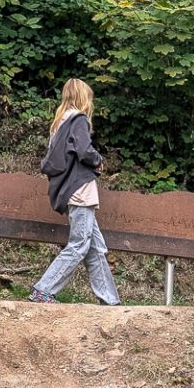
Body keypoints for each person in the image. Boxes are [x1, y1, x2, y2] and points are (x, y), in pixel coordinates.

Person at [28, 78, 121, 306]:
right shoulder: (78, 119)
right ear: (83, 98)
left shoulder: (60, 122)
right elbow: (84, 151)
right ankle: (43, 290)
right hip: (80, 191)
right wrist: (99, 161)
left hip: (71, 190)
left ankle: (110, 300)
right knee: (79, 244)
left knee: (96, 247)